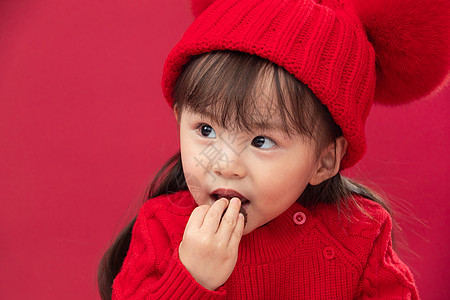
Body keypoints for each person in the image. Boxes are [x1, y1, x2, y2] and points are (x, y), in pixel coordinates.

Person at [98, 0, 450, 298]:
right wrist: (192, 278)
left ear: (325, 161)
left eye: (261, 141)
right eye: (206, 130)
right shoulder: (162, 230)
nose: (224, 164)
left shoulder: (358, 241)